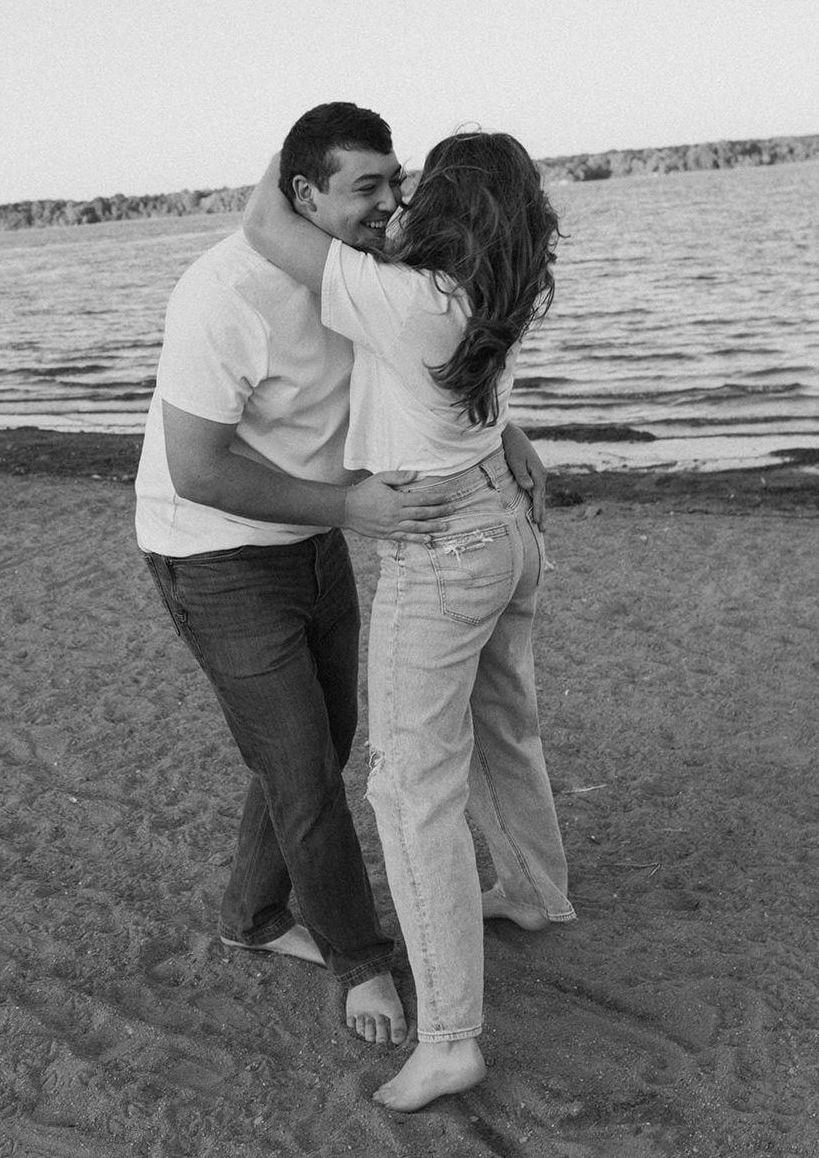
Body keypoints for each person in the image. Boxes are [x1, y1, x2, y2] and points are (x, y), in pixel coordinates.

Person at [134, 102, 549, 1051]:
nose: (391, 203)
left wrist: (504, 433)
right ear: (303, 194)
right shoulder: (223, 295)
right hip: (216, 549)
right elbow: (196, 469)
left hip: (316, 528)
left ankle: (252, 914)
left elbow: (426, 360)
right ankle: (361, 962)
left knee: (321, 739)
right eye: (367, 187)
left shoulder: (372, 264)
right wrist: (351, 509)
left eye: (396, 181)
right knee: (303, 766)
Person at [242, 128, 574, 1112]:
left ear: (449, 204)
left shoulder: (408, 298)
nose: (402, 199)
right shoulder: (491, 287)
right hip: (504, 526)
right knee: (502, 726)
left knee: (408, 788)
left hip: (442, 550)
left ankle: (451, 1038)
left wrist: (299, 151)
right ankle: (532, 888)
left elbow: (264, 223)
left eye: (419, 185)